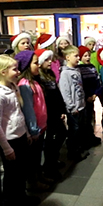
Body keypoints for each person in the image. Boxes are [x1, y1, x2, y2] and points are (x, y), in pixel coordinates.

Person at [0, 55, 38, 206]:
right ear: (3, 72)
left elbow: (18, 113)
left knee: (20, 173)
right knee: (12, 176)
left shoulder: (13, 87)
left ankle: (21, 198)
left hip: (19, 137)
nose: (18, 72)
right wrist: (6, 148)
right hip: (9, 141)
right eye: (14, 69)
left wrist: (25, 132)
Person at [15, 50, 50, 190]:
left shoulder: (34, 82)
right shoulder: (24, 85)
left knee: (37, 156)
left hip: (41, 127)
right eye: (35, 63)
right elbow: (28, 110)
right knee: (33, 158)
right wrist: (33, 129)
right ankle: (33, 182)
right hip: (34, 129)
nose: (39, 65)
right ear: (26, 66)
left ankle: (39, 176)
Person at [36, 48, 68, 180]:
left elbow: (56, 93)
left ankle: (52, 160)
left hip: (55, 112)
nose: (50, 62)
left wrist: (62, 109)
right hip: (47, 113)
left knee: (61, 134)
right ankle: (49, 166)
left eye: (50, 59)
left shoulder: (50, 74)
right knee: (50, 141)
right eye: (46, 60)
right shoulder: (39, 77)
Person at [59, 46, 89, 161]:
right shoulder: (65, 74)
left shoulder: (77, 70)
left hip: (81, 105)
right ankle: (72, 153)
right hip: (74, 108)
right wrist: (71, 106)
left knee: (80, 129)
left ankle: (78, 149)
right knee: (74, 131)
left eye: (78, 56)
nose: (78, 58)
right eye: (75, 56)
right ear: (67, 57)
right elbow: (65, 92)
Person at [78, 45, 103, 146]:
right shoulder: (78, 69)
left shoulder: (92, 67)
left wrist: (94, 94)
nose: (87, 57)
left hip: (92, 96)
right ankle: (84, 138)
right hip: (84, 98)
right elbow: (80, 85)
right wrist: (87, 96)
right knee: (84, 119)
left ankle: (90, 135)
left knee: (90, 117)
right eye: (84, 56)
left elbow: (97, 81)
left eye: (88, 55)